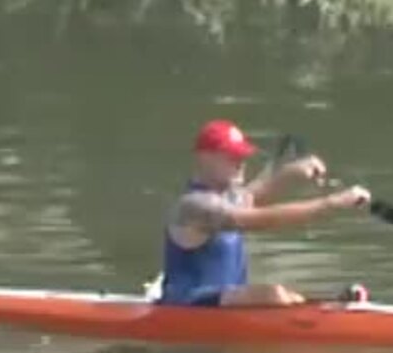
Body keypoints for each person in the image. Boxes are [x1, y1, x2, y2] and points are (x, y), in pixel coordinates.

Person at [153, 119, 371, 307]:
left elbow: (252, 197)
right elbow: (261, 219)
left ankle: (326, 306)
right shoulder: (195, 206)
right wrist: (331, 203)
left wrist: (290, 173)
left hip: (222, 303)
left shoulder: (226, 199)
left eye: (242, 156)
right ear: (204, 157)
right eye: (232, 156)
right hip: (187, 306)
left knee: (282, 295)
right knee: (272, 294)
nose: (241, 163)